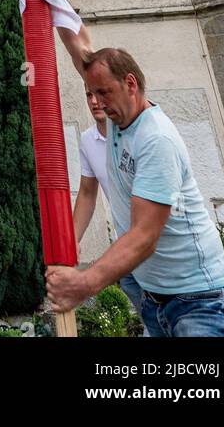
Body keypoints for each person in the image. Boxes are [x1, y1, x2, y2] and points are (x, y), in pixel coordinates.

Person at [52, 32, 224, 338]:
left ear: (131, 85)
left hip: (200, 301)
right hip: (152, 294)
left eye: (104, 93)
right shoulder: (117, 121)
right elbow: (82, 50)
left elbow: (144, 236)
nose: (98, 103)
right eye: (92, 94)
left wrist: (84, 284)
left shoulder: (155, 139)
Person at [73, 79, 145, 323]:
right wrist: (72, 241)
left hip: (155, 245)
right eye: (88, 95)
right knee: (150, 320)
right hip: (125, 251)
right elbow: (87, 193)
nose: (94, 101)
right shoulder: (87, 140)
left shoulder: (135, 134)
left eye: (99, 94)